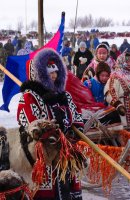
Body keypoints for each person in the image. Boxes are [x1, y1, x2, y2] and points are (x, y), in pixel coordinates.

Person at [17, 48, 85, 200]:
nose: (53, 75)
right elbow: (31, 124)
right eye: (49, 72)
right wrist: (52, 132)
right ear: (39, 74)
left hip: (66, 150)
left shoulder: (63, 95)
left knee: (66, 187)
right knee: (48, 192)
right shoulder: (29, 97)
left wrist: (75, 130)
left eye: (55, 71)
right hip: (42, 153)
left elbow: (76, 115)